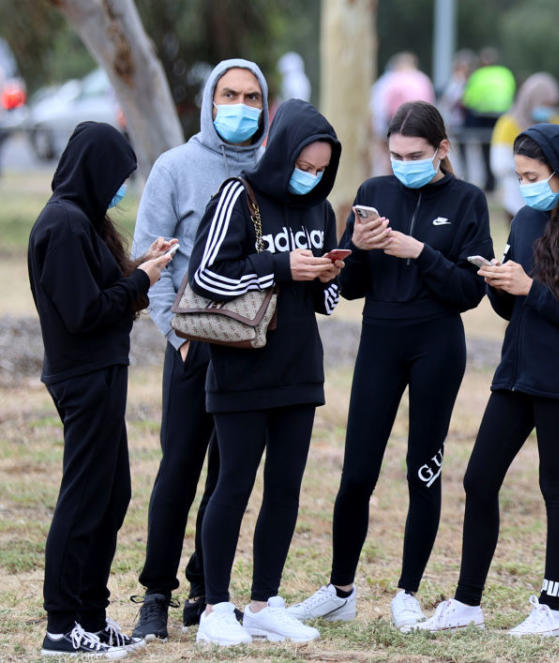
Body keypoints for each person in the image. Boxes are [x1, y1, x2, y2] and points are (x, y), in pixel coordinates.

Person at [286, 101, 493, 631]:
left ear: (442, 150)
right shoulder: (373, 194)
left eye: (415, 155)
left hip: (437, 344)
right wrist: (350, 250)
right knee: (357, 473)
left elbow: (470, 292)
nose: (403, 163)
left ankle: (408, 592)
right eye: (395, 154)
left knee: (422, 470)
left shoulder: (468, 201)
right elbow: (348, 286)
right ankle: (340, 589)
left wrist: (418, 251)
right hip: (379, 339)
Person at [413, 123, 559, 637]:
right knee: (479, 479)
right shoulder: (526, 219)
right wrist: (501, 282)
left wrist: (531, 290)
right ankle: (467, 603)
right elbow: (514, 308)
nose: (525, 184)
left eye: (533, 175)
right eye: (520, 174)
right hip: (514, 375)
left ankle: (550, 609)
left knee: (555, 485)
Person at [187, 98, 344, 647]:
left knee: (285, 488)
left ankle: (262, 603)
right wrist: (280, 266)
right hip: (242, 369)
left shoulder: (320, 210)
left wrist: (329, 275)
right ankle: (215, 608)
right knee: (233, 485)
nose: (312, 177)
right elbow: (206, 275)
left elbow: (326, 302)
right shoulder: (239, 195)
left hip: (300, 370)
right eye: (305, 166)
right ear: (283, 153)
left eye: (323, 169)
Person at [129, 58, 270, 640]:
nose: (240, 107)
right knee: (179, 470)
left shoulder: (273, 169)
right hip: (193, 346)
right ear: (211, 101)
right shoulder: (176, 167)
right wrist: (176, 333)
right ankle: (155, 594)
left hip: (252, 348)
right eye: (229, 95)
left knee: (229, 476)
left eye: (252, 98)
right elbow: (151, 258)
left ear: (266, 106)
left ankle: (206, 591)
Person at [27, 122, 174, 657]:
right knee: (84, 497)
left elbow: (106, 290)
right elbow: (85, 312)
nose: (121, 188)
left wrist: (141, 267)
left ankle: (91, 612)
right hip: (82, 377)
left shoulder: (84, 222)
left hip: (104, 371)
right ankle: (62, 627)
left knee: (112, 495)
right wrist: (143, 282)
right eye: (118, 177)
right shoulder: (62, 225)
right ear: (94, 170)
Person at [490, 72, 559, 220]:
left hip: (551, 198)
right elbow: (500, 164)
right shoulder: (509, 123)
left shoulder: (554, 121)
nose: (548, 109)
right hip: (516, 197)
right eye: (544, 104)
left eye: (551, 105)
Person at [461, 48, 515, 191]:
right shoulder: (505, 74)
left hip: (481, 116)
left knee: (485, 150)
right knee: (498, 149)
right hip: (501, 116)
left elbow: (467, 99)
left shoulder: (477, 75)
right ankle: (496, 183)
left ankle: (489, 183)